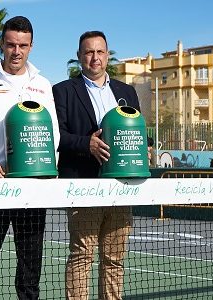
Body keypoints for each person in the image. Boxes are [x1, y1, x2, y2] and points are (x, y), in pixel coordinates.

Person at [0, 16, 60, 300]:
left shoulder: (43, 84)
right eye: (10, 45)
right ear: (1, 45)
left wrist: (42, 168)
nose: (16, 51)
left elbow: (52, 132)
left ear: (31, 47)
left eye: (23, 45)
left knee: (31, 268)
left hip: (32, 190)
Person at [53, 30, 140, 300]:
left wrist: (144, 144)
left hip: (121, 187)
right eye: (89, 52)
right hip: (84, 185)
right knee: (82, 256)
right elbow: (57, 136)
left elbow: (137, 130)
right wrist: (86, 144)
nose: (95, 57)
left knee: (114, 259)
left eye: (100, 52)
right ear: (79, 56)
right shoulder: (63, 91)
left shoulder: (127, 92)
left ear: (107, 55)